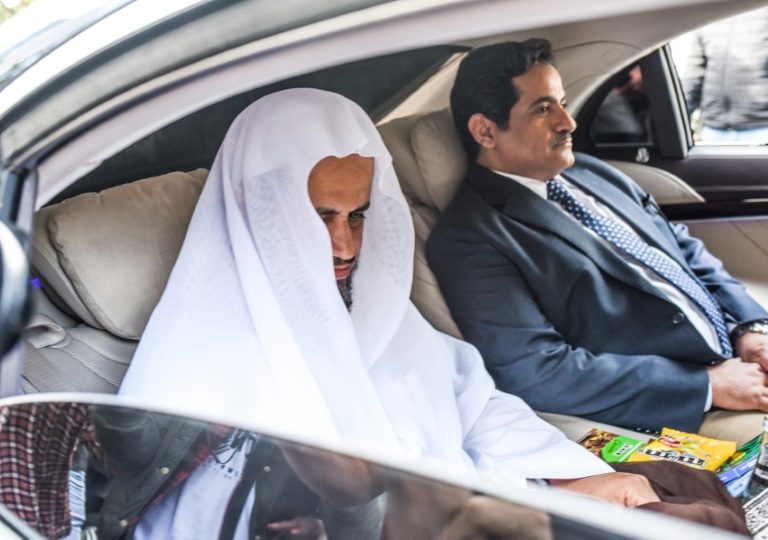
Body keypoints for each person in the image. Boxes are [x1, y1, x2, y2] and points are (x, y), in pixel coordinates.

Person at [116, 88, 747, 534]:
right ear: (261, 211)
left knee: (690, 504)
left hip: (499, 506)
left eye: (358, 216)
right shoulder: (194, 374)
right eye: (319, 217)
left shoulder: (372, 310)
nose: (344, 246)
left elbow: (475, 404)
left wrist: (570, 479)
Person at [426, 38, 768, 445]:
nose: (567, 122)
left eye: (562, 103)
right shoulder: (471, 239)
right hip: (676, 411)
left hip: (737, 357)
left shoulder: (589, 172)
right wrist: (706, 385)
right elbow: (536, 371)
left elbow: (681, 249)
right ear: (485, 131)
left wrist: (750, 328)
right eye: (543, 109)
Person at [682, 7, 768, 143]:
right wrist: (679, 117)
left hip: (760, 128)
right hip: (714, 129)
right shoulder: (708, 16)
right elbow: (694, 74)